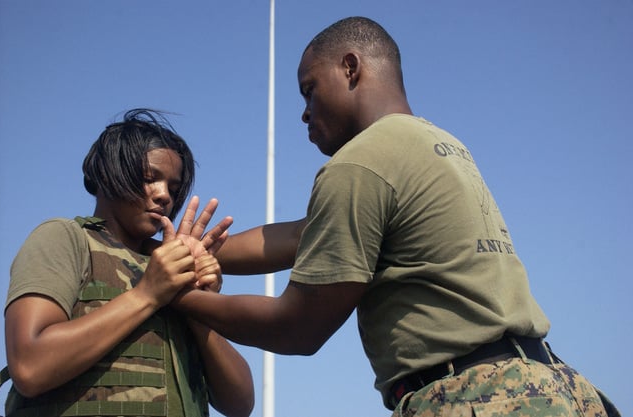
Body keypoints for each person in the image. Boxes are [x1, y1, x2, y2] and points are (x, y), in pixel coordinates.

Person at [172, 17, 621, 416]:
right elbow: (302, 236)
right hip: (549, 387)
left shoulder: (359, 163)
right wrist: (189, 252)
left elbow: (299, 327)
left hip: (476, 397)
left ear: (351, 67)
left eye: (309, 89)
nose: (304, 111)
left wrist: (173, 294)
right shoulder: (433, 144)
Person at [0, 109, 254, 417]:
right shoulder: (66, 238)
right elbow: (29, 366)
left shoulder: (170, 267)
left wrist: (196, 303)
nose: (164, 196)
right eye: (150, 179)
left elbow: (240, 404)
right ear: (107, 175)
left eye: (173, 188)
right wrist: (147, 295)